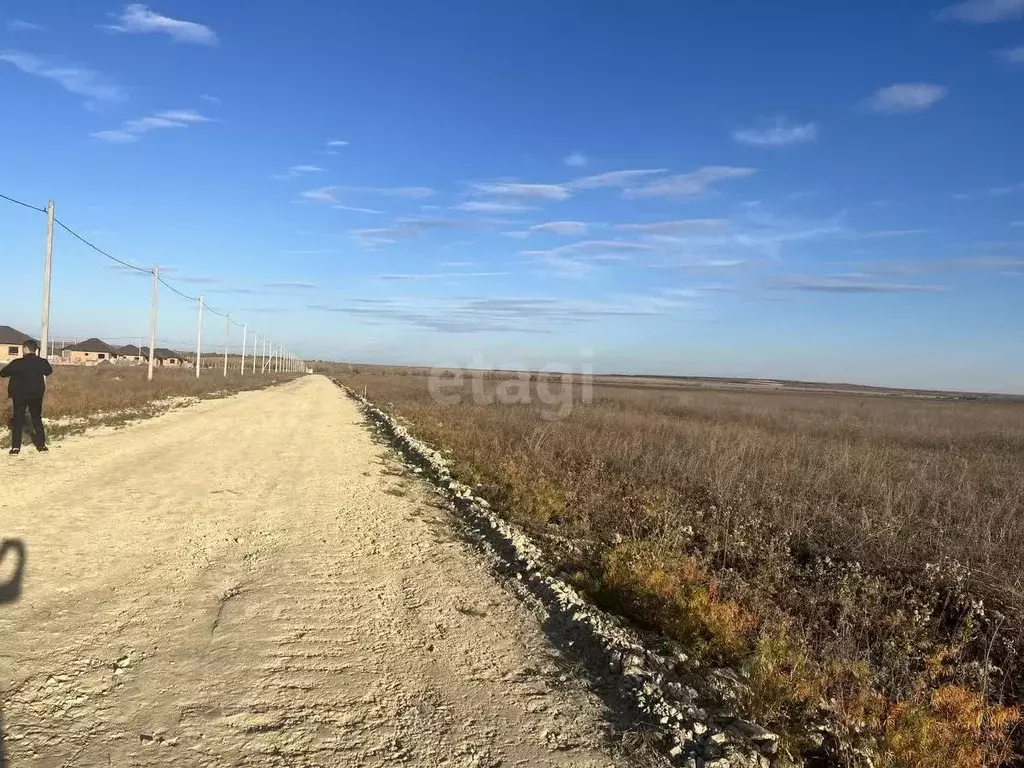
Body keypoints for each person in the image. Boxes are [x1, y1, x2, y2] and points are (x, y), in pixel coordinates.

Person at [1, 340, 53, 455]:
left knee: (18, 420)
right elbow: (49, 371)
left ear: (25, 349)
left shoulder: (17, 363)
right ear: (35, 350)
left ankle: (15, 448)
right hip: (36, 395)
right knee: (36, 419)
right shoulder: (42, 362)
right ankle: (41, 446)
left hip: (19, 396)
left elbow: (3, 373)